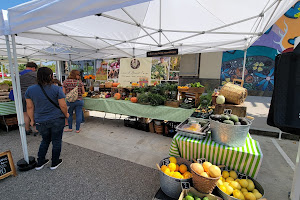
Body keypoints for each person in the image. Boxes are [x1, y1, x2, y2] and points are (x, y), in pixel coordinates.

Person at [25, 67, 69, 170]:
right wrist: (66, 114)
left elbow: (29, 107)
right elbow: (63, 105)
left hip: (40, 120)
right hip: (57, 119)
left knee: (45, 140)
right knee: (57, 141)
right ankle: (54, 163)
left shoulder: (30, 90)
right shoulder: (57, 88)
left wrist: (32, 120)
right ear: (50, 76)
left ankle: (40, 162)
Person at [20, 62, 39, 136]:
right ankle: (36, 129)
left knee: (25, 113)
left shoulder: (18, 74)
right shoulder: (35, 74)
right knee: (34, 111)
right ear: (33, 68)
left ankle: (27, 129)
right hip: (33, 95)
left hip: (21, 95)